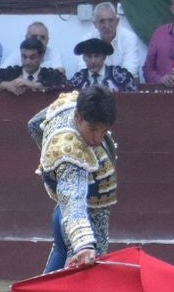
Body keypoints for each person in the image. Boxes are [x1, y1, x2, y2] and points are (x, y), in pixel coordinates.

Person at [27, 86, 118, 272]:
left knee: (58, 260)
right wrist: (84, 244)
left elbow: (35, 124)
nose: (98, 138)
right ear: (78, 117)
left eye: (104, 130)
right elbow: (74, 201)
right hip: (85, 219)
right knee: (80, 281)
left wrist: (50, 161)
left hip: (62, 214)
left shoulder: (69, 104)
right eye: (92, 129)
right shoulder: (71, 154)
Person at [79, 2, 143, 80]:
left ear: (117, 21)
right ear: (95, 24)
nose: (107, 26)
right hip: (95, 85)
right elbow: (82, 69)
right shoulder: (87, 39)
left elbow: (130, 70)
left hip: (123, 85)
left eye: (111, 20)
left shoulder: (129, 38)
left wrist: (111, 85)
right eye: (102, 21)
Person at [0, 37, 68, 94]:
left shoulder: (50, 74)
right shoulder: (11, 72)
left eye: (32, 57)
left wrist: (35, 85)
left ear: (41, 57)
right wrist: (6, 85)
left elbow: (65, 85)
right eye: (24, 57)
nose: (27, 62)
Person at [69, 37, 137, 91]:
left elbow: (134, 98)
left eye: (97, 56)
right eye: (89, 56)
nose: (93, 61)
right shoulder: (78, 79)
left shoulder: (120, 75)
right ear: (83, 58)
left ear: (104, 57)